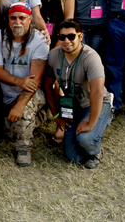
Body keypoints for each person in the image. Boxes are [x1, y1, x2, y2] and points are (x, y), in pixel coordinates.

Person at [43, 20, 113, 169]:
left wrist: (91, 123)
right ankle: (84, 138)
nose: (66, 41)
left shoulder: (91, 57)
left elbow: (97, 93)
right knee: (72, 156)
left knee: (86, 138)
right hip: (72, 106)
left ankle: (94, 151)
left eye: (71, 36)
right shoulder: (54, 55)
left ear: (81, 37)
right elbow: (48, 85)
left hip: (94, 104)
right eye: (62, 37)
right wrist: (56, 115)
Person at [0, 2, 49, 167]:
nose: (17, 22)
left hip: (34, 90)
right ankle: (44, 116)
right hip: (10, 92)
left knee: (24, 112)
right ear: (8, 20)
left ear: (29, 19)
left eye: (22, 18)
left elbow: (34, 81)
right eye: (13, 18)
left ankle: (23, 149)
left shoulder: (39, 40)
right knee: (9, 132)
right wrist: (19, 81)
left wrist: (20, 105)